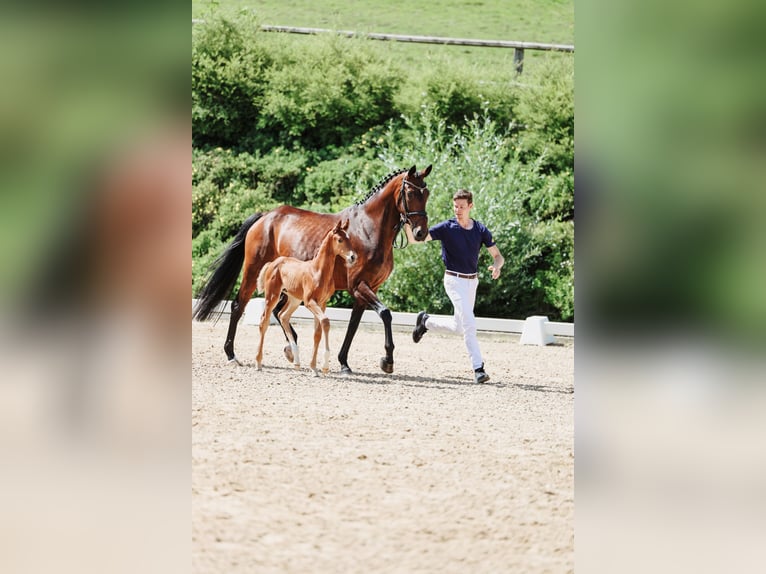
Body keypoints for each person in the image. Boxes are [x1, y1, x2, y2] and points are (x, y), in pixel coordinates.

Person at [406, 188, 504, 383]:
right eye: (455, 206)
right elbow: (416, 240)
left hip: (472, 282)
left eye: (461, 207)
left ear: (470, 206)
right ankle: (478, 368)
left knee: (460, 327)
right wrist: (408, 226)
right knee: (470, 324)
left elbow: (498, 256)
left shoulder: (480, 230)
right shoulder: (446, 227)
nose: (457, 210)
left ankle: (425, 322)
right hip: (453, 280)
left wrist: (496, 266)